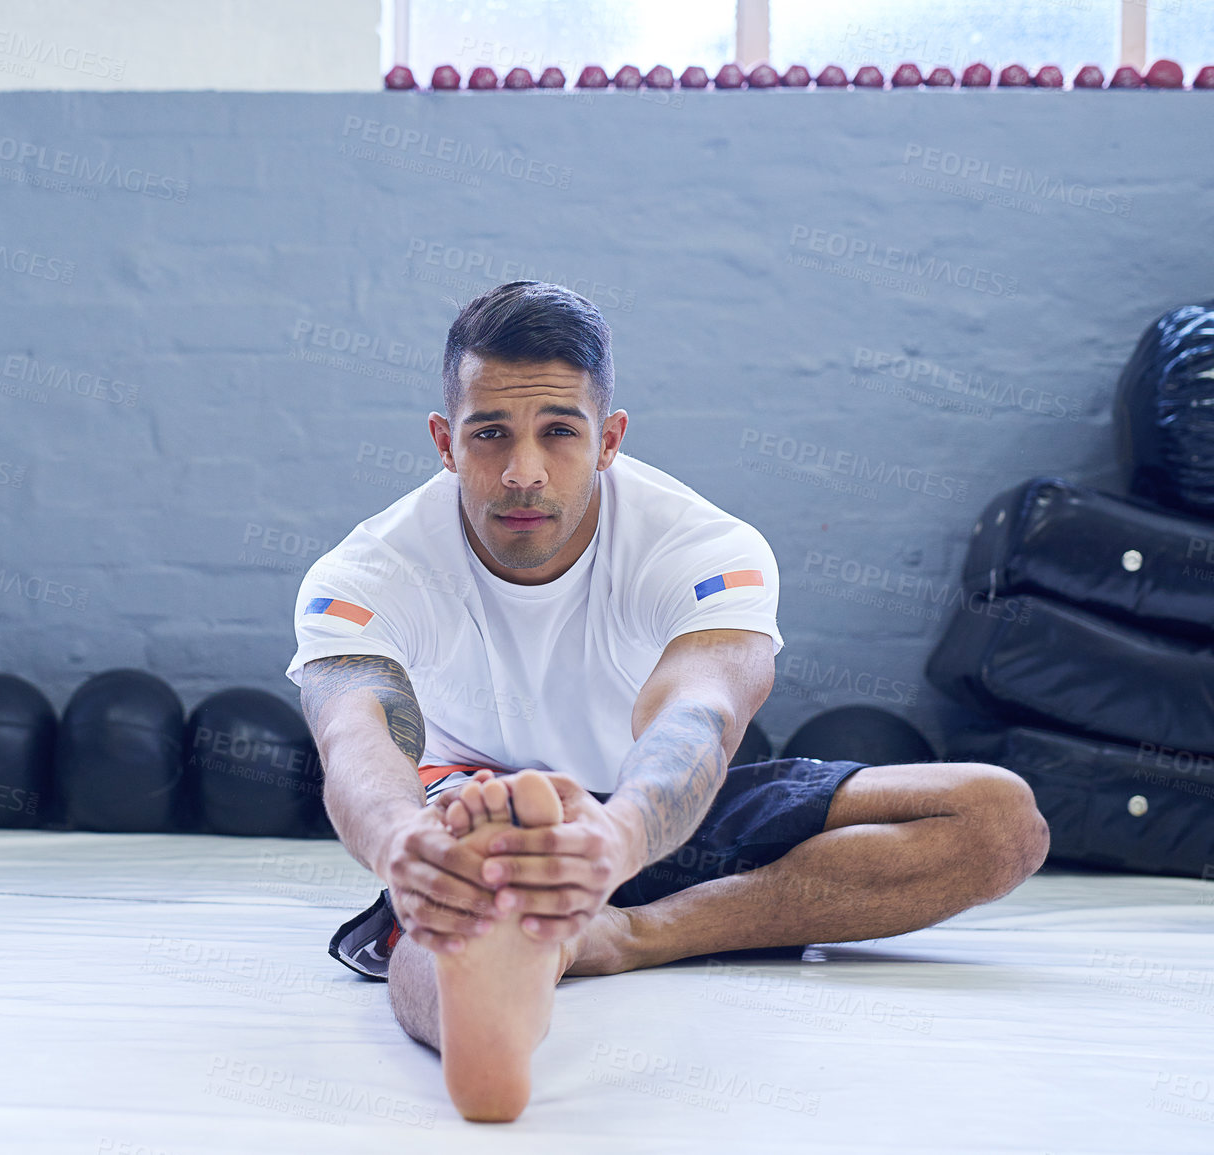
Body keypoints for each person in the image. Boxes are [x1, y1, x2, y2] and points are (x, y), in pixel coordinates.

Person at [286, 281, 1050, 1123]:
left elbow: (698, 719)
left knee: (997, 817)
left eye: (558, 432)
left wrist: (613, 842)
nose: (522, 472)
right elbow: (357, 739)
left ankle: (624, 935)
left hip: (654, 807)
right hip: (472, 799)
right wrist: (405, 847)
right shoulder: (363, 572)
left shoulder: (704, 546)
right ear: (444, 441)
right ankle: (484, 960)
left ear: (608, 437)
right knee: (464, 885)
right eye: (490, 433)